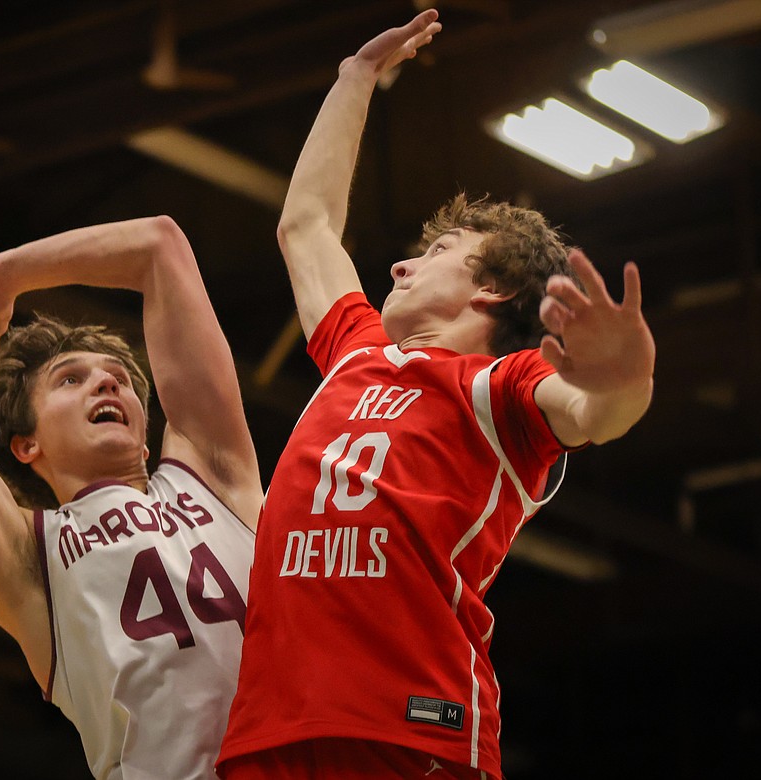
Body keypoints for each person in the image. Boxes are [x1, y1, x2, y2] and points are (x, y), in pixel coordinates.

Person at [217, 9, 655, 780]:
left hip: (411, 729)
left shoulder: (501, 389)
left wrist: (626, 376)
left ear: (491, 288)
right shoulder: (356, 357)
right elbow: (307, 226)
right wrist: (354, 80)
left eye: (437, 253)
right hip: (272, 728)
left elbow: (596, 416)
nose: (399, 268)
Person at [0, 216, 262, 780]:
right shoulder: (30, 557)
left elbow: (160, 245)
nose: (107, 384)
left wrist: (6, 273)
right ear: (26, 443)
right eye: (69, 379)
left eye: (119, 379)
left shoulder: (213, 474)